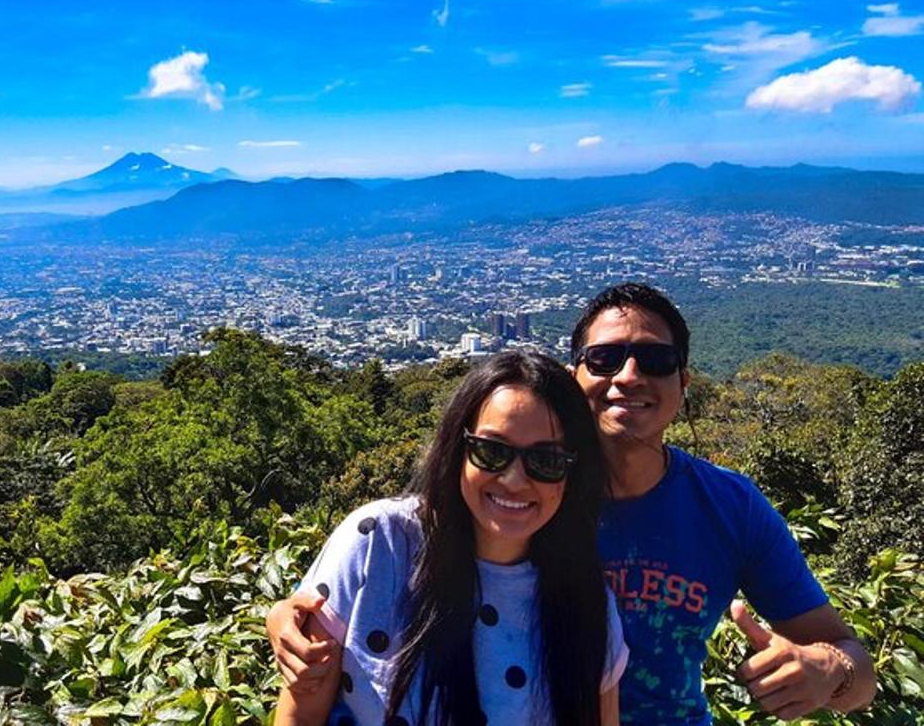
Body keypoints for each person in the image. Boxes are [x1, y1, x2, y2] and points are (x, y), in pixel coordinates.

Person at [269, 283, 875, 725]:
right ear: (571, 376)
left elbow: (858, 672)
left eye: (656, 361)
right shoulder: (517, 504)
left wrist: (828, 673)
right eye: (605, 359)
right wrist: (296, 620)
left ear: (685, 383)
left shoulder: (729, 506)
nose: (629, 376)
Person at [274, 350, 628, 725]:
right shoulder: (379, 544)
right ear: (459, 449)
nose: (513, 479)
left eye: (547, 461)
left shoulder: (586, 604)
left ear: (572, 474)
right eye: (492, 452)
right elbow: (299, 715)